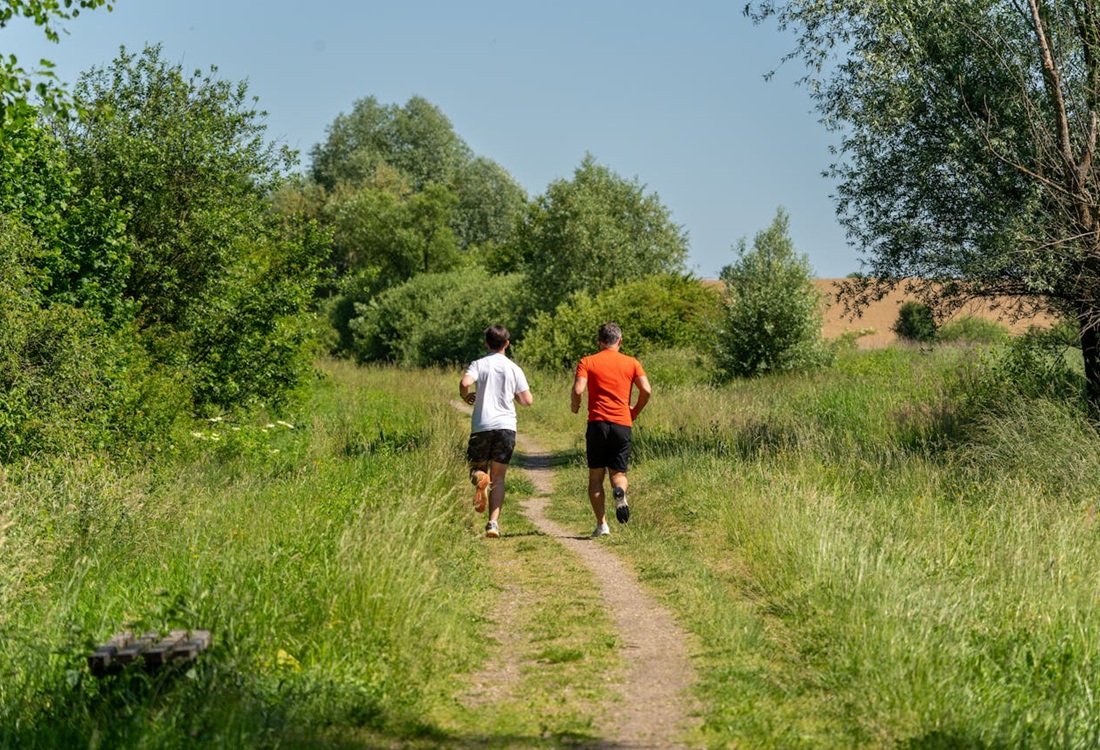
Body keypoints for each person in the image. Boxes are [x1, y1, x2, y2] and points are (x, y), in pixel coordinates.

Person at [571, 322, 651, 538]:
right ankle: (620, 491)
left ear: (599, 341)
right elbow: (646, 389)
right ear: (620, 341)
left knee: (596, 477)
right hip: (622, 424)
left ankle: (602, 525)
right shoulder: (632, 363)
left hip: (597, 424)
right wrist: (635, 411)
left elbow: (578, 390)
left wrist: (575, 405)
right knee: (619, 474)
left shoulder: (587, 361)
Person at [460, 325, 533, 538]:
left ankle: (480, 478)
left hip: (482, 426)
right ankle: (493, 524)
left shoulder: (479, 364)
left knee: (476, 470)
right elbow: (527, 400)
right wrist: (514, 394)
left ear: (486, 343)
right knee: (499, 478)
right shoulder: (514, 368)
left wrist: (465, 395)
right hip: (506, 428)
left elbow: (465, 382)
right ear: (507, 344)